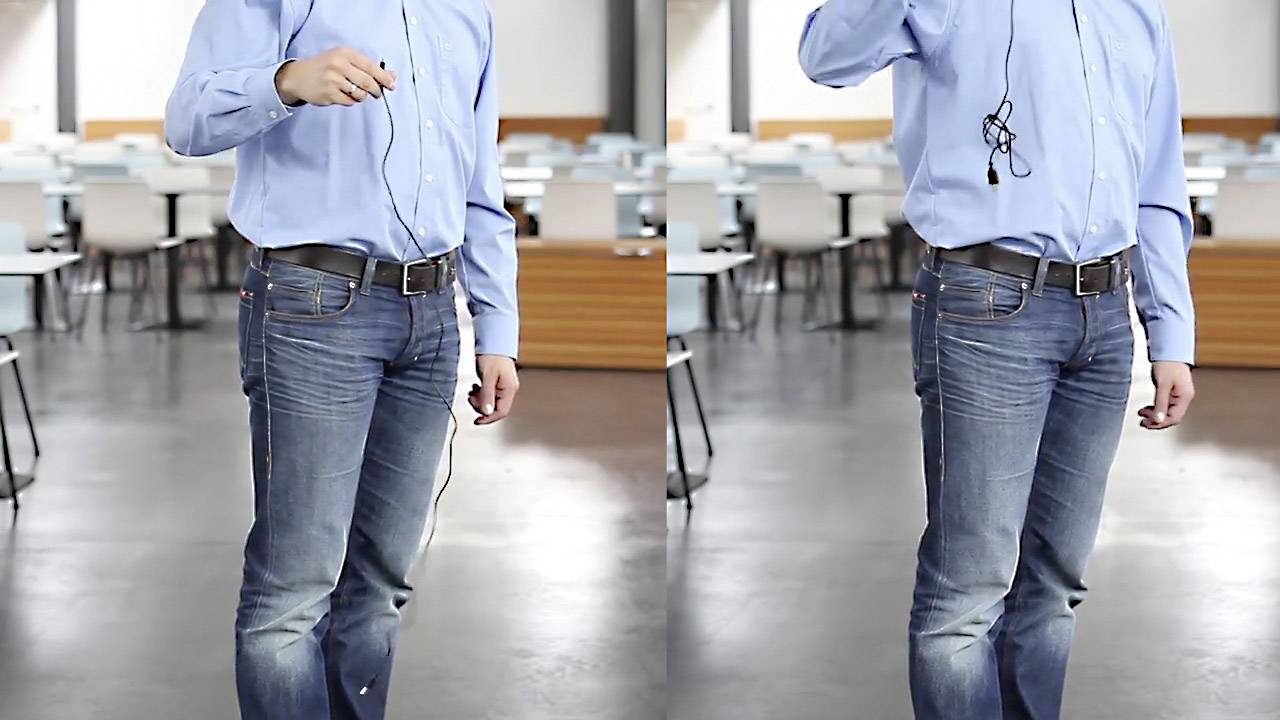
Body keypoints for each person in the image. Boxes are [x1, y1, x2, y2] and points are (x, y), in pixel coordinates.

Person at [799, 2, 1196, 718]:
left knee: (1055, 584)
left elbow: (1157, 178)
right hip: (985, 304)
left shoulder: (1137, 10)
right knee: (969, 592)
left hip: (1104, 316)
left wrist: (1170, 330)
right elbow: (826, 57)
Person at [166, 2, 520, 717]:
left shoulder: (466, 13)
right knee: (294, 593)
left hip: (432, 313)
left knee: (381, 585)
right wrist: (286, 82)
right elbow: (186, 120)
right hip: (312, 305)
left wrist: (497, 327)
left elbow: (480, 180)